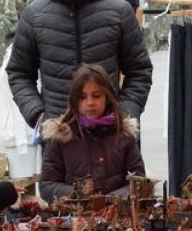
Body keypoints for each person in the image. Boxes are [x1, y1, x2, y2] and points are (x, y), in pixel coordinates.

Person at [7, 0, 152, 128]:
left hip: (110, 136)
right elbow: (19, 73)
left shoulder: (119, 11)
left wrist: (124, 114)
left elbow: (140, 70)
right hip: (59, 138)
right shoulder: (34, 16)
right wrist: (38, 115)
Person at [39, 64, 145, 203]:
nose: (90, 103)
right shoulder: (61, 136)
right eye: (82, 97)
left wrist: (109, 200)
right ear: (74, 99)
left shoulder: (124, 134)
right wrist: (80, 196)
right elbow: (47, 185)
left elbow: (139, 181)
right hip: (73, 217)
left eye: (96, 96)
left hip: (117, 216)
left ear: (107, 97)